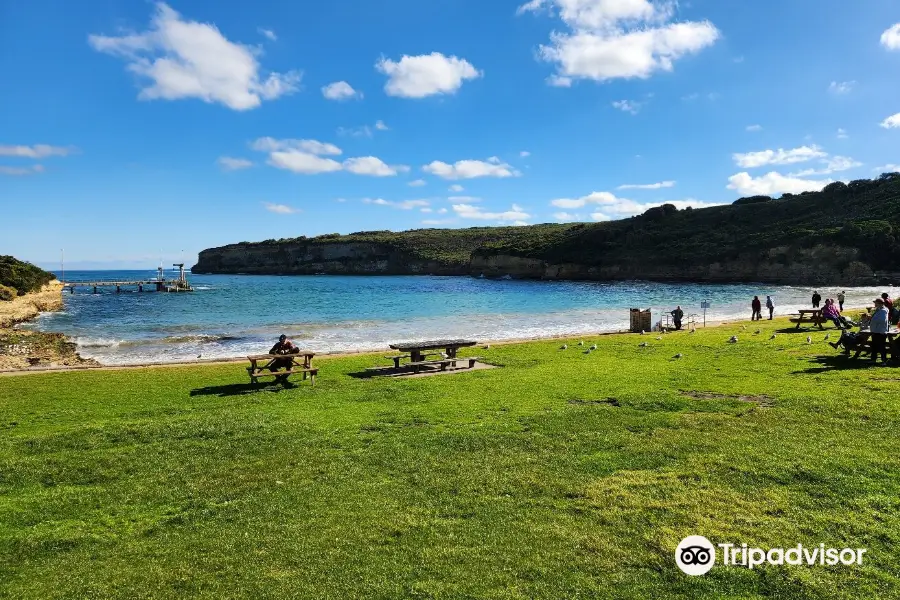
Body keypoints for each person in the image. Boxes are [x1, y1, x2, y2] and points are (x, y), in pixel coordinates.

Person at [866, 298, 890, 366]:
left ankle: (884, 361)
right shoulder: (879, 310)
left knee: (881, 347)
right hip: (876, 331)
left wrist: (872, 319)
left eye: (875, 303)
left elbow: (882, 320)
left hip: (880, 331)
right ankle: (873, 360)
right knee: (874, 346)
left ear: (879, 303)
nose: (874, 304)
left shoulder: (883, 311)